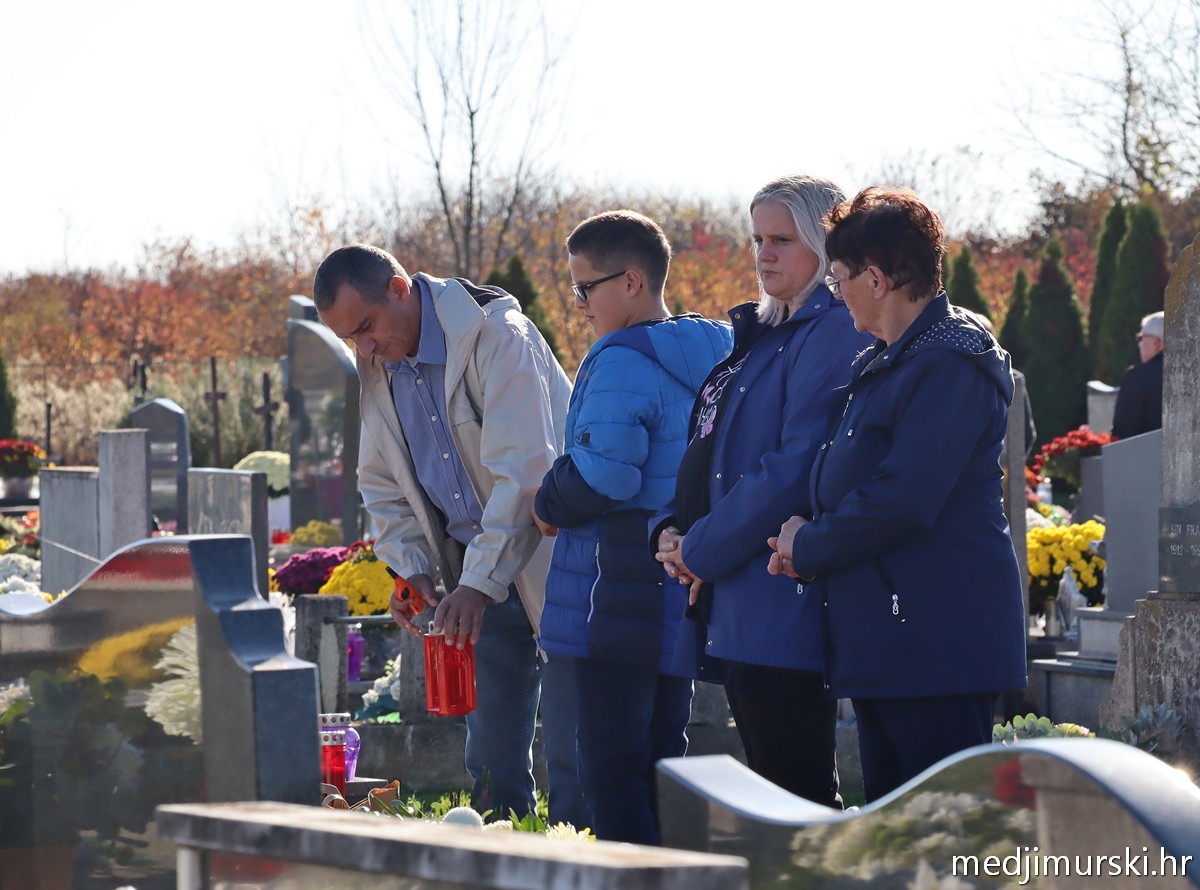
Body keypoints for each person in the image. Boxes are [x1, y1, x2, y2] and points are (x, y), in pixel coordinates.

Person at [312, 244, 588, 828]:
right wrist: (412, 568)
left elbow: (526, 475)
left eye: (365, 327)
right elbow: (382, 483)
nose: (364, 347)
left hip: (554, 558)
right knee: (490, 757)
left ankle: (583, 857)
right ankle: (496, 854)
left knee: (575, 749)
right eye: (349, 338)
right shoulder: (378, 365)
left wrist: (478, 583)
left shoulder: (499, 337)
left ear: (399, 287)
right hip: (472, 573)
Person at [767, 187, 1027, 802]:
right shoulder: (890, 359)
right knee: (895, 831)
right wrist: (802, 534)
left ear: (877, 280)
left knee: (941, 830)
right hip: (890, 638)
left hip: (935, 643)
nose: (837, 293)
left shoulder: (949, 362)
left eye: (839, 278)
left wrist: (811, 544)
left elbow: (905, 496)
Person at [650, 175, 871, 808]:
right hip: (741, 595)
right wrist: (669, 528)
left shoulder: (833, 329)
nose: (763, 255)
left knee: (797, 796)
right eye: (757, 240)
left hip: (780, 596)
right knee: (778, 793)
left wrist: (700, 550)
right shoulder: (772, 330)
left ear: (825, 246)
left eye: (782, 240)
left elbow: (793, 466)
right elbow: (715, 451)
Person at [532, 210, 733, 845]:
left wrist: (547, 502)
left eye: (585, 287)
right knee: (663, 758)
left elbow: (605, 476)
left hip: (617, 581)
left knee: (612, 767)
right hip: (679, 572)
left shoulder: (620, 359)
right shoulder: (717, 350)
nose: (580, 305)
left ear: (631, 282)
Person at [1111, 310, 1164, 439]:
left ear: (1156, 343)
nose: (1139, 344)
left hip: (1149, 450)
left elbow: (1123, 431)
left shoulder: (1138, 376)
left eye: (1141, 338)